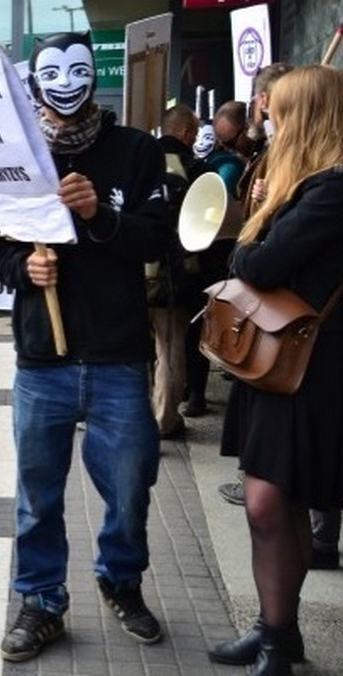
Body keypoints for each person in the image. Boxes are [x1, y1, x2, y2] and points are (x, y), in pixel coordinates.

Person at [0, 31, 169, 663]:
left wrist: (100, 218)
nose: (65, 85)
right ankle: (41, 602)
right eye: (52, 75)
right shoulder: (15, 159)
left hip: (118, 356)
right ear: (35, 84)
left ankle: (120, 579)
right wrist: (21, 271)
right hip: (43, 361)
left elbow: (159, 238)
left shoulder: (137, 151)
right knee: (38, 495)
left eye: (77, 71)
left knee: (131, 482)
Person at [207, 65, 343, 675]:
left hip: (311, 368)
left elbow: (259, 265)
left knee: (267, 503)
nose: (269, 120)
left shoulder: (331, 190)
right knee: (273, 504)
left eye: (278, 110)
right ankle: (275, 633)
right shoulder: (308, 185)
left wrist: (248, 236)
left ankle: (276, 634)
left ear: (307, 116)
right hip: (286, 361)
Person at [217, 62, 294, 508]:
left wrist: (262, 217)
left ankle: (321, 529)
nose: (260, 114)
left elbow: (258, 259)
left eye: (263, 103)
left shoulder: (322, 184)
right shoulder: (265, 153)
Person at [183, 102, 247, 421]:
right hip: (218, 250)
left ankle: (196, 392)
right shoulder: (228, 163)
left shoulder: (227, 163)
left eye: (230, 140)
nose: (226, 146)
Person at [147, 104, 208, 439]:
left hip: (135, 271)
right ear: (186, 133)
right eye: (195, 133)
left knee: (136, 350)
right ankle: (164, 419)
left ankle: (136, 415)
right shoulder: (195, 168)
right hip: (175, 274)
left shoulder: (140, 160)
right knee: (170, 349)